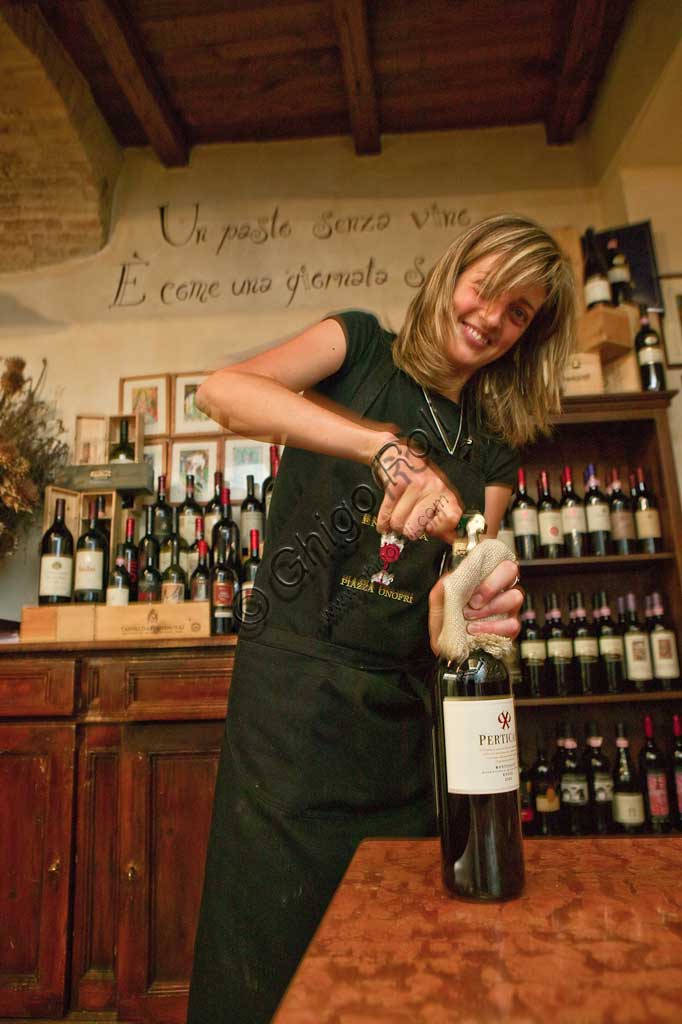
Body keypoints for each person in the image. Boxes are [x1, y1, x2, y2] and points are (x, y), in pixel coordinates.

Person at [187, 214, 576, 1023]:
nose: (493, 318)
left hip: (402, 726)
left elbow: (454, 593)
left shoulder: (494, 446)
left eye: (519, 313)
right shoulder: (359, 347)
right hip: (290, 712)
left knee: (392, 964)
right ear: (451, 268)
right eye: (487, 286)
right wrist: (385, 450)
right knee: (266, 948)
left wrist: (471, 614)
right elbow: (221, 393)